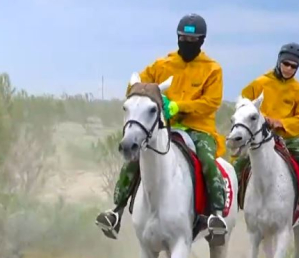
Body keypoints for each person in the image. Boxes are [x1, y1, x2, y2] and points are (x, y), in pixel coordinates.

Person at [95, 13, 229, 241]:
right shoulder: (162, 64)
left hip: (199, 129)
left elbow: (211, 103)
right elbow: (136, 84)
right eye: (182, 40)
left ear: (201, 41)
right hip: (164, 129)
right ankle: (116, 211)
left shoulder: (212, 69)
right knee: (135, 158)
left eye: (192, 41)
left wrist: (178, 107)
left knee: (207, 161)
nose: (186, 44)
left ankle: (216, 215)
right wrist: (148, 95)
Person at [233, 42, 299, 227]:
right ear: (279, 61)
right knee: (238, 165)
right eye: (286, 64)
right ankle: (233, 204)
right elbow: (243, 105)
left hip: (289, 138)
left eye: (294, 66)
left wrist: (282, 123)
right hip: (259, 137)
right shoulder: (259, 84)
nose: (289, 69)